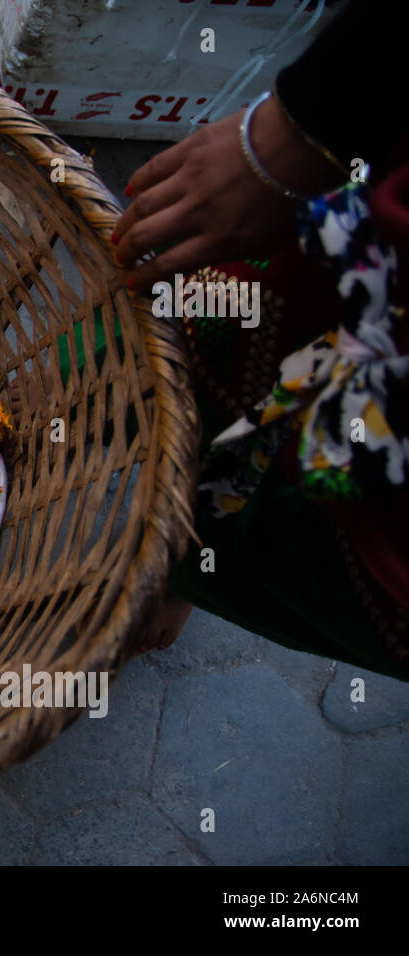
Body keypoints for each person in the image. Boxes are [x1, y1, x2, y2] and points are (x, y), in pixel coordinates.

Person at [111, 0, 409, 679]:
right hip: (374, 265)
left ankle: (186, 567)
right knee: (204, 350)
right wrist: (303, 131)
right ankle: (184, 547)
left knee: (303, 552)